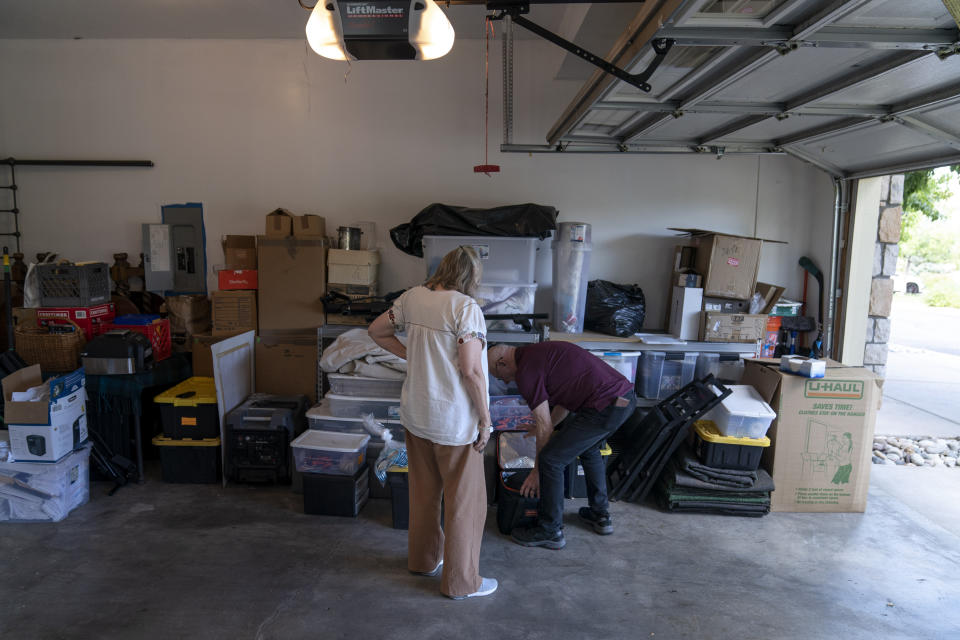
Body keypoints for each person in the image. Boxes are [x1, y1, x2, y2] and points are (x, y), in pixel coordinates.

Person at [368, 246, 496, 600]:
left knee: (423, 495)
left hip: (417, 415)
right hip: (454, 422)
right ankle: (461, 583)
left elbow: (376, 331)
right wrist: (485, 420)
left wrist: (414, 356)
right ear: (472, 277)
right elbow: (471, 370)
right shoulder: (465, 308)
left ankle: (423, 561)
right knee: (465, 504)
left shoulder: (412, 298)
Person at [488, 342, 637, 550]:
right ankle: (600, 514)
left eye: (498, 375)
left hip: (604, 406)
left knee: (551, 460)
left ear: (502, 362)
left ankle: (550, 530)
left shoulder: (525, 371)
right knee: (589, 448)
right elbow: (564, 404)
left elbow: (545, 429)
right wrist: (539, 424)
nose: (503, 380)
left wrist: (536, 471)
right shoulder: (537, 354)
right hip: (623, 400)